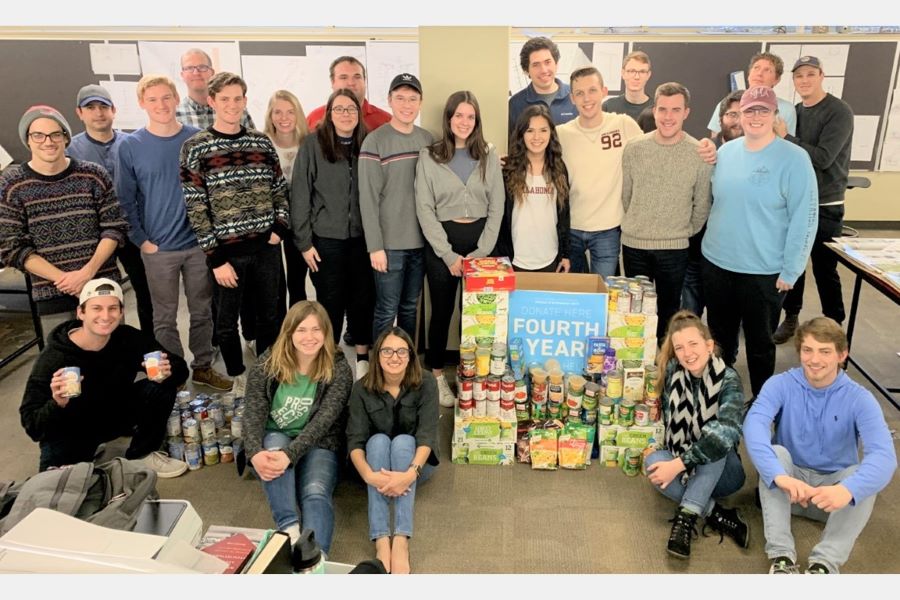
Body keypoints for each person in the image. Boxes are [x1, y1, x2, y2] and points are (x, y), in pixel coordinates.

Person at [744, 317, 897, 574]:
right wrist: (781, 477)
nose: (814, 360)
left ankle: (824, 565)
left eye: (825, 351)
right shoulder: (779, 384)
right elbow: (754, 426)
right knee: (776, 454)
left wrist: (848, 490)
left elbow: (884, 456)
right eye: (808, 350)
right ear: (799, 351)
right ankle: (782, 559)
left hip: (834, 501)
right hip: (790, 491)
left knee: (863, 476)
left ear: (842, 354)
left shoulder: (860, 398)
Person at [701, 86, 818, 398]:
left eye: (763, 111)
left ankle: (763, 403)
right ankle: (720, 398)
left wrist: (791, 269)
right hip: (717, 264)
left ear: (774, 115)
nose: (755, 117)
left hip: (764, 271)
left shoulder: (794, 159)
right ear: (739, 114)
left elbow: (805, 218)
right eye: (749, 110)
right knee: (721, 341)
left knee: (760, 344)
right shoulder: (725, 153)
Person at [117, 75, 231, 392]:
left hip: (197, 245)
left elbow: (213, 189)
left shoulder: (196, 139)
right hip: (159, 249)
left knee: (202, 311)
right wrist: (142, 240)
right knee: (164, 317)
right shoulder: (131, 147)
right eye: (152, 99)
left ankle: (203, 367)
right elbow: (124, 199)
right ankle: (174, 373)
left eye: (166, 97)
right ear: (142, 103)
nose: (161, 105)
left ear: (176, 99)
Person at [180, 72, 291, 397]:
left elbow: (279, 190)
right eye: (224, 99)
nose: (231, 105)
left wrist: (279, 228)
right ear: (212, 101)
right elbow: (196, 207)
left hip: (266, 248)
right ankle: (239, 377)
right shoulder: (195, 148)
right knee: (226, 322)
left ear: (245, 100)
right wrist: (215, 259)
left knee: (271, 315)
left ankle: (270, 374)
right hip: (226, 255)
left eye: (237, 98)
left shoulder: (260, 142)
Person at [19, 278, 189, 476]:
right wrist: (57, 403)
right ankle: (86, 451)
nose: (105, 316)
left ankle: (142, 453)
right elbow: (32, 425)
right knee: (56, 485)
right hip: (73, 428)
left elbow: (180, 367)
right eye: (96, 308)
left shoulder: (126, 337)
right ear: (80, 312)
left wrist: (166, 374)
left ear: (121, 312)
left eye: (113, 308)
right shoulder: (55, 357)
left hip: (114, 414)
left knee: (161, 387)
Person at [0, 105, 129, 333]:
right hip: (52, 292)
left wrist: (87, 273)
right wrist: (65, 280)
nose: (48, 141)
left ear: (65, 138)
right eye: (38, 135)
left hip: (101, 286)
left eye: (55, 134)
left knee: (114, 359)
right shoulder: (11, 186)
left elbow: (114, 228)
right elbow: (11, 247)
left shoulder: (93, 175)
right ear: (27, 140)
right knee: (65, 365)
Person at [415, 91, 504, 407]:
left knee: (478, 315)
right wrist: (448, 255)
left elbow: (497, 206)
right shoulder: (431, 156)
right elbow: (424, 208)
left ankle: (473, 377)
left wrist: (481, 253)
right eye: (458, 116)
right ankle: (437, 377)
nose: (464, 122)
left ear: (476, 120)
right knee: (441, 313)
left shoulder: (488, 155)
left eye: (470, 116)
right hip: (443, 243)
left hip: (480, 242)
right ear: (449, 118)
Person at [241, 300, 353, 552]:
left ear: (326, 333)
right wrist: (254, 453)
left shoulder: (339, 367)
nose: (309, 337)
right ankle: (289, 531)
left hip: (320, 442)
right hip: (276, 437)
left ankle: (315, 557)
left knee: (315, 491)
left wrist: (290, 456)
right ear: (289, 332)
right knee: (272, 450)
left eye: (316, 330)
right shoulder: (267, 363)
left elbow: (324, 422)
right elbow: (252, 412)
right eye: (301, 330)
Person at [644, 310, 748, 559]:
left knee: (715, 440)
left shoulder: (729, 380)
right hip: (684, 460)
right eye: (679, 348)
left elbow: (726, 435)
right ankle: (715, 513)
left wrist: (677, 464)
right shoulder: (673, 372)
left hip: (724, 473)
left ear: (709, 345)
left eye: (693, 344)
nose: (687, 353)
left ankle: (685, 520)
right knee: (652, 464)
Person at [292, 89, 374, 381]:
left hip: (363, 239)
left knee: (363, 299)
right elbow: (300, 194)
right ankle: (331, 359)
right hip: (326, 239)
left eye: (351, 109)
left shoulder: (368, 142)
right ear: (328, 113)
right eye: (338, 109)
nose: (345, 114)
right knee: (330, 301)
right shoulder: (313, 145)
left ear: (359, 113)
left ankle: (363, 357)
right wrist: (304, 242)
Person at [772, 56, 855, 344]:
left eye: (810, 74)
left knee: (824, 268)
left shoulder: (839, 112)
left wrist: (786, 137)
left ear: (821, 75)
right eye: (799, 76)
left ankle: (835, 324)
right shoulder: (795, 111)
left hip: (825, 204)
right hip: (794, 202)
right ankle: (792, 316)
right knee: (792, 262)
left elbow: (822, 157)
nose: (804, 80)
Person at [621, 82, 711, 341]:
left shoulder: (698, 153)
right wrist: (639, 221)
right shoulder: (635, 148)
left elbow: (701, 205)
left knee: (668, 310)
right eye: (662, 109)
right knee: (636, 312)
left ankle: (664, 362)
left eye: (675, 110)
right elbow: (626, 195)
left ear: (686, 113)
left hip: (674, 247)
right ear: (655, 110)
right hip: (635, 244)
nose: (668, 116)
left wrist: (680, 232)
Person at [346, 326, 439, 575]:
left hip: (416, 466)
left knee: (403, 443)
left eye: (401, 351)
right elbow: (354, 442)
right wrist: (369, 475)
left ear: (410, 355)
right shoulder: (361, 388)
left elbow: (427, 436)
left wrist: (409, 474)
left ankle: (400, 538)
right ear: (377, 356)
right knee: (376, 442)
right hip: (373, 468)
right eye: (387, 351)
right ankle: (381, 539)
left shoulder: (427, 381)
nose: (394, 357)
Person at [68, 84, 153, 335]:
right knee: (100, 296)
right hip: (96, 237)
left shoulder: (133, 142)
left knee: (146, 291)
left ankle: (148, 346)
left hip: (134, 231)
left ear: (114, 110)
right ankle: (105, 347)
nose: (98, 113)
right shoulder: (70, 150)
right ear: (79, 113)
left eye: (103, 107)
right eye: (90, 107)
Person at [359, 73, 433, 342]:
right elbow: (367, 198)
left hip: (421, 243)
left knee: (410, 309)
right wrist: (375, 246)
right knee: (386, 309)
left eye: (412, 98)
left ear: (420, 102)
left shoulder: (428, 140)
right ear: (389, 100)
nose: (406, 104)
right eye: (400, 98)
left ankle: (407, 364)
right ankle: (380, 369)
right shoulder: (375, 141)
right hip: (389, 247)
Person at [556, 66, 643, 276]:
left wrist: (703, 146)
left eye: (592, 90)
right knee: (576, 295)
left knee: (604, 294)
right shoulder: (561, 133)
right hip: (572, 228)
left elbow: (652, 149)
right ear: (572, 98)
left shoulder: (623, 125)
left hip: (608, 229)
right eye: (580, 93)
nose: (587, 98)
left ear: (604, 92)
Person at [682, 90, 745, 321]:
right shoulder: (704, 153)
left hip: (731, 257)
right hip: (697, 249)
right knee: (689, 315)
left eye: (742, 113)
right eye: (730, 114)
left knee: (724, 324)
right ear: (720, 121)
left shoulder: (762, 160)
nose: (736, 120)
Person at [495, 104, 571, 274]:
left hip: (549, 259)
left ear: (551, 133)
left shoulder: (559, 168)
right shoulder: (507, 168)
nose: (537, 137)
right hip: (514, 260)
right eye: (530, 130)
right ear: (522, 134)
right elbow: (497, 215)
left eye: (543, 130)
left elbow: (565, 214)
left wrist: (565, 254)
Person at [264, 90, 310, 309]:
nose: (284, 118)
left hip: (300, 223)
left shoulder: (307, 143)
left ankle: (297, 328)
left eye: (290, 112)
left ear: (298, 114)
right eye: (278, 112)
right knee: (273, 284)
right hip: (272, 224)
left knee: (297, 281)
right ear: (270, 116)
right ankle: (277, 333)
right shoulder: (263, 144)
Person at [707, 51, 796, 138]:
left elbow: (788, 143)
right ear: (749, 74)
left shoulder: (787, 109)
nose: (759, 73)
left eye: (767, 70)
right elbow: (716, 140)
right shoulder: (728, 103)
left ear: (777, 80)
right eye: (756, 68)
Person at [507, 36, 577, 137]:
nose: (544, 70)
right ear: (526, 71)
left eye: (547, 62)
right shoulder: (516, 104)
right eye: (536, 65)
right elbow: (513, 147)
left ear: (556, 64)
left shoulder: (575, 95)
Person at [305, 56, 392, 132]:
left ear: (364, 81)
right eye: (343, 77)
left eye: (357, 77)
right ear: (332, 82)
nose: (351, 83)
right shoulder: (314, 119)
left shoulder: (386, 121)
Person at [175, 48, 255, 129]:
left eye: (202, 67)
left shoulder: (236, 111)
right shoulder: (175, 115)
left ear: (212, 72)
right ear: (182, 75)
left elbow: (255, 140)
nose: (196, 73)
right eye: (189, 68)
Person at [603, 51, 653, 123]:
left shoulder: (656, 109)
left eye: (642, 72)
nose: (636, 77)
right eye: (632, 71)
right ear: (623, 73)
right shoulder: (608, 107)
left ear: (648, 75)